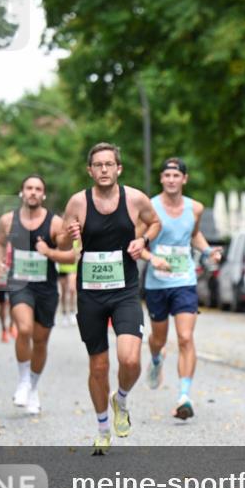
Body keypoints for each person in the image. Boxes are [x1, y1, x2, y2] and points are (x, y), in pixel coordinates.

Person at [61, 143, 161, 455]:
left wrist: (143, 240)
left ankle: (121, 399)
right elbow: (60, 241)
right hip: (90, 294)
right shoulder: (78, 202)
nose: (104, 170)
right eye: (98, 165)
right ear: (90, 170)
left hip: (125, 290)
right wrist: (70, 235)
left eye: (109, 164)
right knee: (99, 366)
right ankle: (103, 428)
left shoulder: (135, 199)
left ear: (119, 168)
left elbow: (155, 222)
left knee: (130, 359)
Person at [141, 158, 222, 420]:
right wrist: (152, 258)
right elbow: (136, 243)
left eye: (176, 175)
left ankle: (184, 396)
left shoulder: (195, 208)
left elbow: (193, 235)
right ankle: (156, 358)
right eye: (167, 175)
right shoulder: (149, 207)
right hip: (156, 283)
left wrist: (208, 251)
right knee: (159, 339)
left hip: (184, 281)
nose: (171, 180)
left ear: (184, 179)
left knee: (186, 337)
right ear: (161, 179)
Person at [0, 174, 76, 416]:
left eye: (38, 189)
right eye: (29, 188)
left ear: (43, 194)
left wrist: (49, 251)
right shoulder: (8, 220)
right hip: (19, 283)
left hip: (46, 288)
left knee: (40, 341)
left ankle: (33, 387)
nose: (33, 192)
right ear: (22, 192)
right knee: (24, 329)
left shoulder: (54, 223)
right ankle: (23, 381)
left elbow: (70, 255)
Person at [57, 239, 79, 326]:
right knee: (63, 292)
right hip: (62, 268)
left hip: (73, 268)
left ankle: (73, 311)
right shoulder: (61, 240)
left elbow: (79, 253)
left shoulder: (76, 240)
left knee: (72, 290)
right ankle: (64, 314)